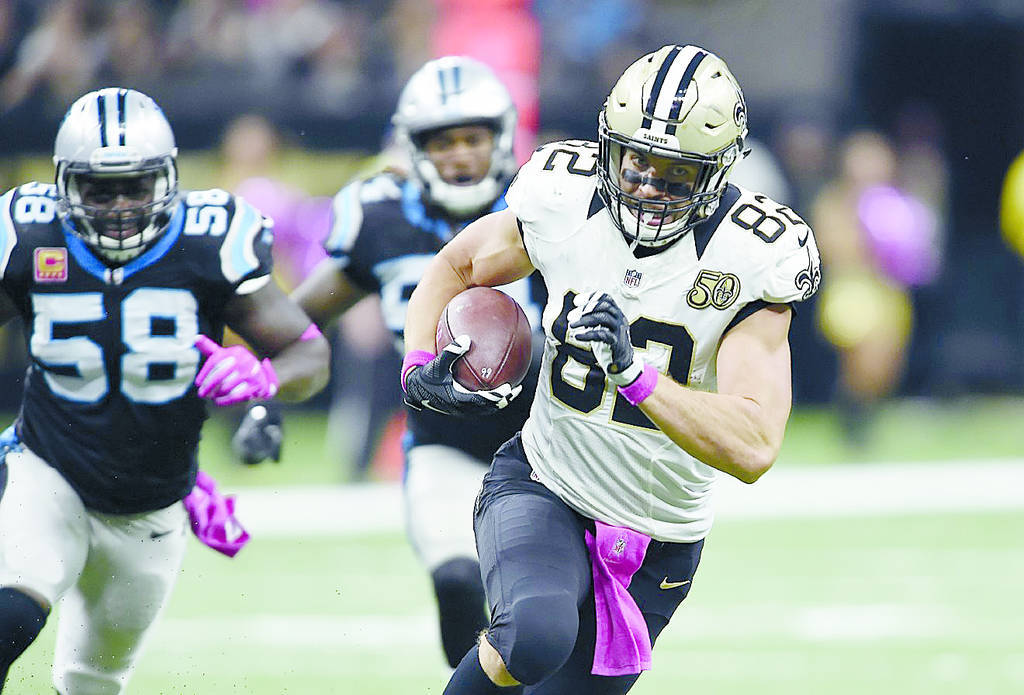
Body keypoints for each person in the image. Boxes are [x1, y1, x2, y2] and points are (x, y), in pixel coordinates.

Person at [401, 44, 822, 693]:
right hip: (546, 483)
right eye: (636, 162)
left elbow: (754, 444)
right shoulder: (565, 199)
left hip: (659, 536)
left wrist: (637, 376)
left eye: (674, 174)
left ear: (716, 172)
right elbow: (458, 264)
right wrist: (419, 361)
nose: (648, 187)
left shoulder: (750, 256)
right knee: (532, 636)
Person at [0, 87, 330, 694]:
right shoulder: (29, 233)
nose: (120, 206)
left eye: (136, 186)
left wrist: (266, 378)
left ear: (170, 178)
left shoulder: (208, 242)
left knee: (90, 684)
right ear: (64, 184)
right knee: (9, 614)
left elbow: (309, 355)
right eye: (100, 189)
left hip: (152, 502)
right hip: (47, 472)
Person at [233, 56, 546, 668]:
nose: (459, 155)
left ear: (503, 137)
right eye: (443, 141)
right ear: (412, 147)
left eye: (473, 138)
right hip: (443, 441)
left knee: (548, 605)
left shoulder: (544, 209)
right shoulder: (381, 217)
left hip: (546, 440)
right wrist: (261, 396)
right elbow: (295, 321)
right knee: (457, 583)